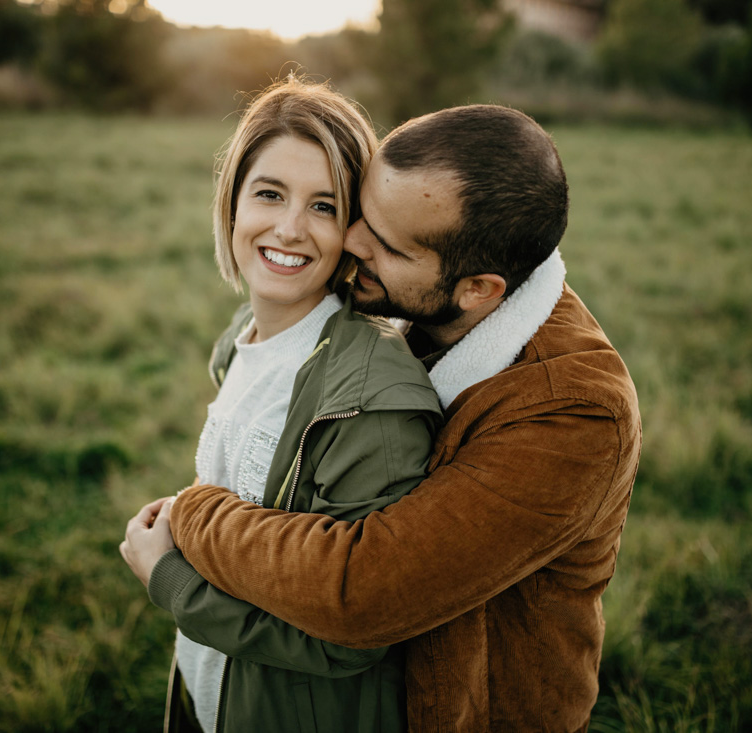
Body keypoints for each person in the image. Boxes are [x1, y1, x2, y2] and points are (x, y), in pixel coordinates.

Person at [126, 104, 642, 732]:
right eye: (361, 211)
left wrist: (193, 514)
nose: (351, 240)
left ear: (477, 290)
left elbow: (362, 591)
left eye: (388, 244)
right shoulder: (399, 302)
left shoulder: (573, 414)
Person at [121, 78, 442, 733]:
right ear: (233, 200)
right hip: (210, 694)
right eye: (269, 193)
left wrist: (170, 579)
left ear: (355, 230)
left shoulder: (371, 404)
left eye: (324, 206)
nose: (289, 229)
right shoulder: (244, 339)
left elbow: (349, 635)